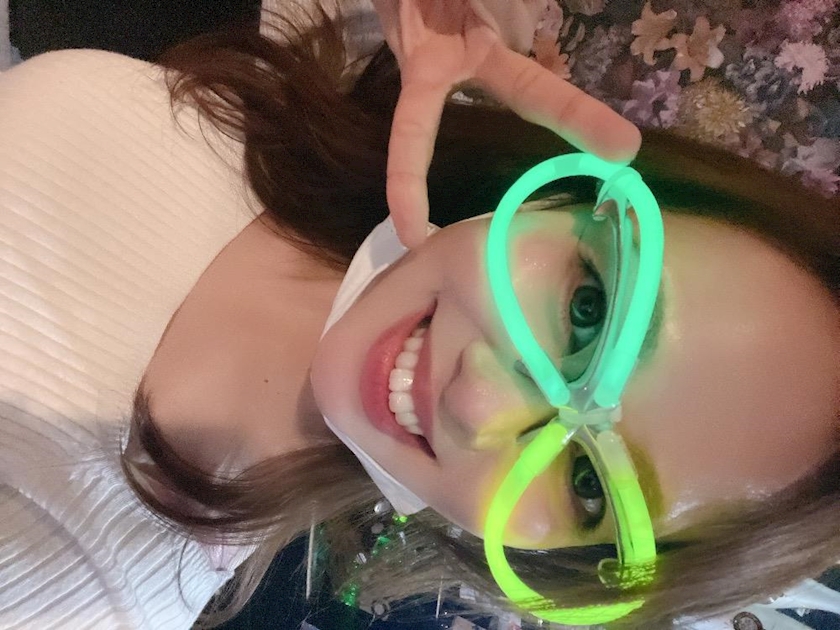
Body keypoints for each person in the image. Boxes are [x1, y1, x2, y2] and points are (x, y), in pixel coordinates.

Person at [119, 3, 840, 630]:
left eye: (587, 484)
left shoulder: (105, 586)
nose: (476, 402)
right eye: (588, 308)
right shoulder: (280, 98)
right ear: (573, 194)